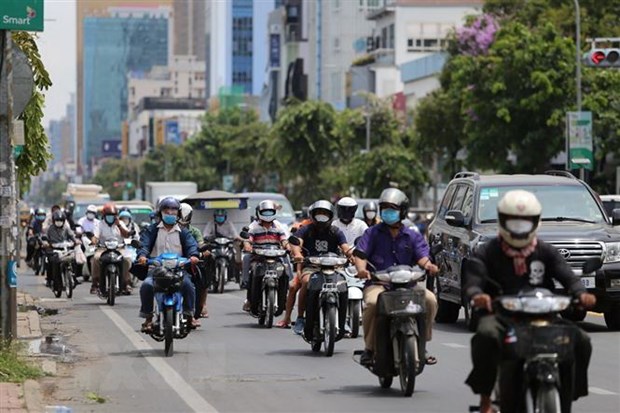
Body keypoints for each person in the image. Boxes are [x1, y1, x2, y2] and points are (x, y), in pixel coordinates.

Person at [464, 190, 596, 413]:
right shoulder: (488, 251)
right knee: (485, 336)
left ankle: (570, 391)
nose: (519, 228)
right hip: (503, 316)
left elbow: (568, 276)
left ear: (535, 222)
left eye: (524, 223)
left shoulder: (546, 251)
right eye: (514, 222)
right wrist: (478, 295)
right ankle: (485, 398)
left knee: (581, 339)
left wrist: (581, 293)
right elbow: (473, 279)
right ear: (502, 221)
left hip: (545, 315)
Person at [354, 188, 439, 366]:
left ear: (402, 211)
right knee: (372, 303)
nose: (388, 213)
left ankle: (423, 344)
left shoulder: (412, 235)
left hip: (408, 285)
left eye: (392, 209)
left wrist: (429, 266)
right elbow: (360, 255)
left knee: (430, 300)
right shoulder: (372, 233)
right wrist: (361, 270)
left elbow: (422, 256)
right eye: (384, 209)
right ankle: (369, 348)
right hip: (379, 284)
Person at [277, 200, 351, 333]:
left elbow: (345, 247)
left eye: (325, 213)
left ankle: (342, 320)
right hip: (312, 266)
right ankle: (300, 318)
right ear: (313, 215)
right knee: (306, 282)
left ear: (330, 215)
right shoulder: (306, 229)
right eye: (318, 213)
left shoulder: (336, 231)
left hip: (334, 267)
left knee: (343, 284)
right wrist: (298, 253)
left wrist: (351, 254)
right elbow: (296, 242)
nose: (321, 216)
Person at [135, 197, 200, 331]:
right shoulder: (152, 230)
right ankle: (148, 318)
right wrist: (142, 256)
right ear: (160, 212)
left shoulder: (184, 232)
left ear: (178, 214)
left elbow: (192, 246)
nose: (170, 213)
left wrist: (193, 256)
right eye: (166, 210)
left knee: (188, 286)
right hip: (157, 270)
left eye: (173, 210)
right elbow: (144, 245)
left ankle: (189, 316)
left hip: (179, 270)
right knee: (146, 285)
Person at [242, 200, 290, 314]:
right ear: (259, 213)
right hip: (259, 258)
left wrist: (287, 247)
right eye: (265, 212)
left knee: (286, 268)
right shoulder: (253, 227)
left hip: (275, 257)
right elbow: (248, 240)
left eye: (270, 212)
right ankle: (248, 291)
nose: (267, 215)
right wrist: (248, 246)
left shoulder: (278, 227)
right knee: (250, 267)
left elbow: (284, 240)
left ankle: (285, 294)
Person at [90, 203, 132, 295]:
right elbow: (95, 236)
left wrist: (119, 226)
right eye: (108, 216)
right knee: (96, 259)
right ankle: (96, 283)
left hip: (119, 248)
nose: (110, 218)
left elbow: (126, 234)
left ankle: (126, 283)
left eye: (112, 216)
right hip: (103, 248)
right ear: (104, 216)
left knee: (127, 259)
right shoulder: (100, 224)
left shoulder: (120, 223)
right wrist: (94, 240)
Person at [179, 202, 210, 319]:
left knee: (202, 278)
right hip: (171, 262)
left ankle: (201, 305)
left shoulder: (194, 232)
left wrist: (202, 252)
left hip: (190, 262)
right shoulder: (167, 230)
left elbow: (201, 244)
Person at [43, 210, 77, 288]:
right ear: (54, 221)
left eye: (61, 221)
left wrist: (76, 241)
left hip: (65, 249)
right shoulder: (50, 229)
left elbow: (72, 236)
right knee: (54, 262)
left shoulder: (66, 228)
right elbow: (45, 238)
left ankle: (74, 278)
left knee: (73, 260)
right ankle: (57, 284)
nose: (59, 222)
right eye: (57, 220)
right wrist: (45, 243)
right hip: (54, 250)